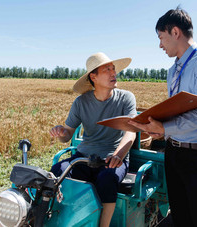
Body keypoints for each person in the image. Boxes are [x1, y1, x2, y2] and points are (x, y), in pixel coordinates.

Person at [128, 7, 197, 227]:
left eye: (161, 38)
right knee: (180, 218)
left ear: (175, 32)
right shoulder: (174, 70)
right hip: (174, 153)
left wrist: (164, 128)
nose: (160, 45)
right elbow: (177, 110)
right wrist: (155, 125)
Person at [49, 52, 137, 227]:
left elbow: (131, 131)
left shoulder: (126, 98)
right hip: (84, 157)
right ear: (93, 77)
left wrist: (118, 155)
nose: (114, 73)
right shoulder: (81, 102)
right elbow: (67, 134)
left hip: (112, 159)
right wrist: (60, 133)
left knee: (107, 179)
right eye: (107, 70)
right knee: (57, 170)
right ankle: (65, 220)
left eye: (114, 69)